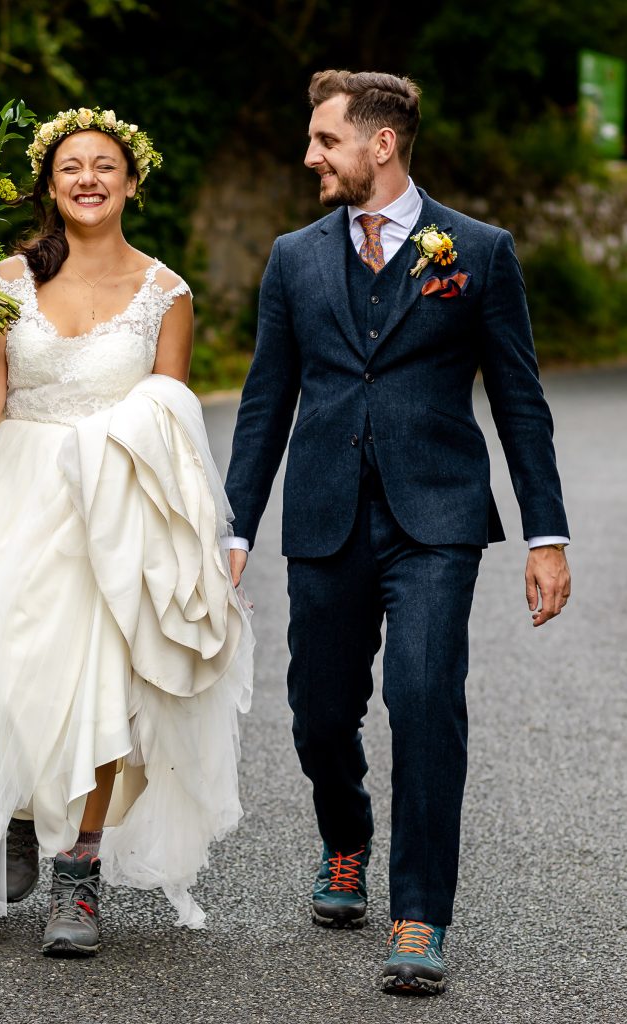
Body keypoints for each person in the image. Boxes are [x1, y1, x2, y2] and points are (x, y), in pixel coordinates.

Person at [223, 70, 571, 995]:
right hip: (326, 516)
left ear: (379, 144)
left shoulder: (479, 251)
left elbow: (519, 402)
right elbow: (264, 405)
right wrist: (234, 531)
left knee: (424, 703)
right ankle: (346, 839)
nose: (309, 157)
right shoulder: (292, 259)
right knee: (318, 713)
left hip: (437, 520)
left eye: (324, 141)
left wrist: (547, 533)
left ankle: (420, 915)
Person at [0, 107, 253, 957]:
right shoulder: (7, 281)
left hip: (113, 508)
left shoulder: (168, 295)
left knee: (98, 686)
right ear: (51, 187)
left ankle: (78, 878)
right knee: (10, 667)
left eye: (103, 166)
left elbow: (170, 429)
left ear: (130, 182)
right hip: (17, 496)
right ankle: (19, 809)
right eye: (70, 169)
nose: (87, 179)